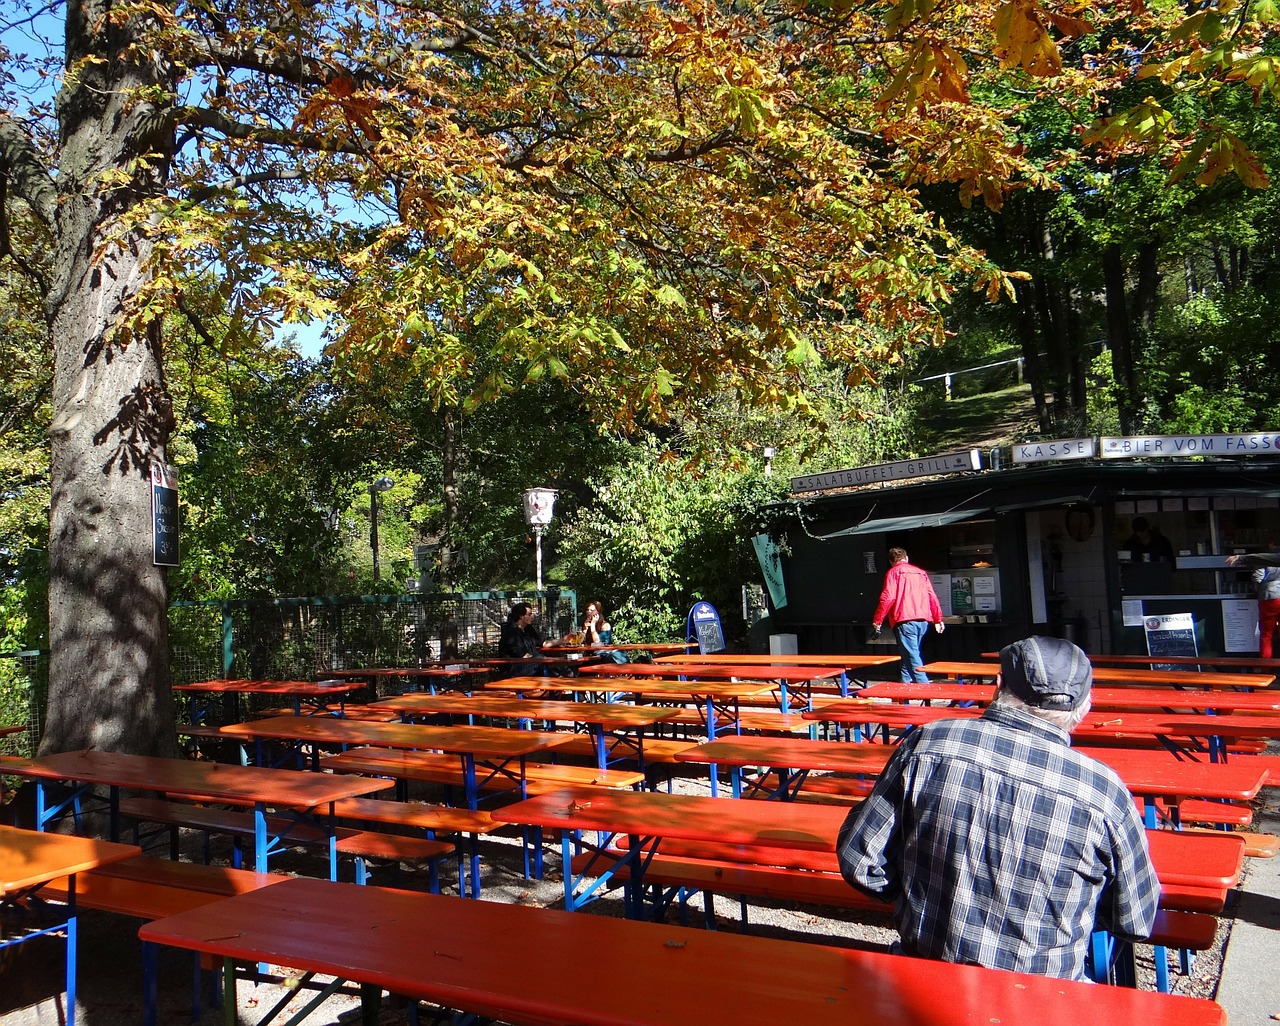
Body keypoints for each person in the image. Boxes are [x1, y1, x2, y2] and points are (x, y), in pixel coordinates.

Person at [836, 635, 1160, 981]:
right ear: (1084, 706)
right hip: (1045, 1000)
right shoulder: (1104, 790)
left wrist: (917, 897)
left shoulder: (927, 743)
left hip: (925, 979)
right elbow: (1137, 918)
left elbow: (860, 861)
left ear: (998, 684)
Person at [870, 547, 944, 682]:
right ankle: (905, 687)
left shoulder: (893, 573)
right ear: (907, 558)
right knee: (909, 653)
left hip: (904, 619)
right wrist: (938, 619)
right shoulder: (921, 573)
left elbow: (888, 598)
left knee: (911, 655)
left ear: (891, 562)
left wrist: (878, 621)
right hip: (923, 620)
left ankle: (924, 688)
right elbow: (932, 596)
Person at [1227, 538, 1280, 657]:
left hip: (1269, 596)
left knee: (1267, 635)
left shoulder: (1265, 558)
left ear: (1271, 543)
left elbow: (1257, 577)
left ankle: (1266, 669)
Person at [498, 602, 543, 674]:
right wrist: (542, 658)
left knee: (551, 665)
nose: (532, 617)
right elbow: (524, 656)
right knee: (544, 665)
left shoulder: (528, 629)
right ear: (521, 616)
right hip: (514, 669)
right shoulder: (511, 633)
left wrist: (562, 640)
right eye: (529, 614)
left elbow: (541, 643)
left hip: (529, 664)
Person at [582, 599, 629, 664]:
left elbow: (597, 642)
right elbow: (581, 642)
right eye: (587, 610)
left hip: (607, 655)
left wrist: (593, 625)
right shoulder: (586, 623)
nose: (589, 612)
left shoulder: (605, 625)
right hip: (592, 654)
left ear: (597, 612)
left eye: (591, 610)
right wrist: (585, 629)